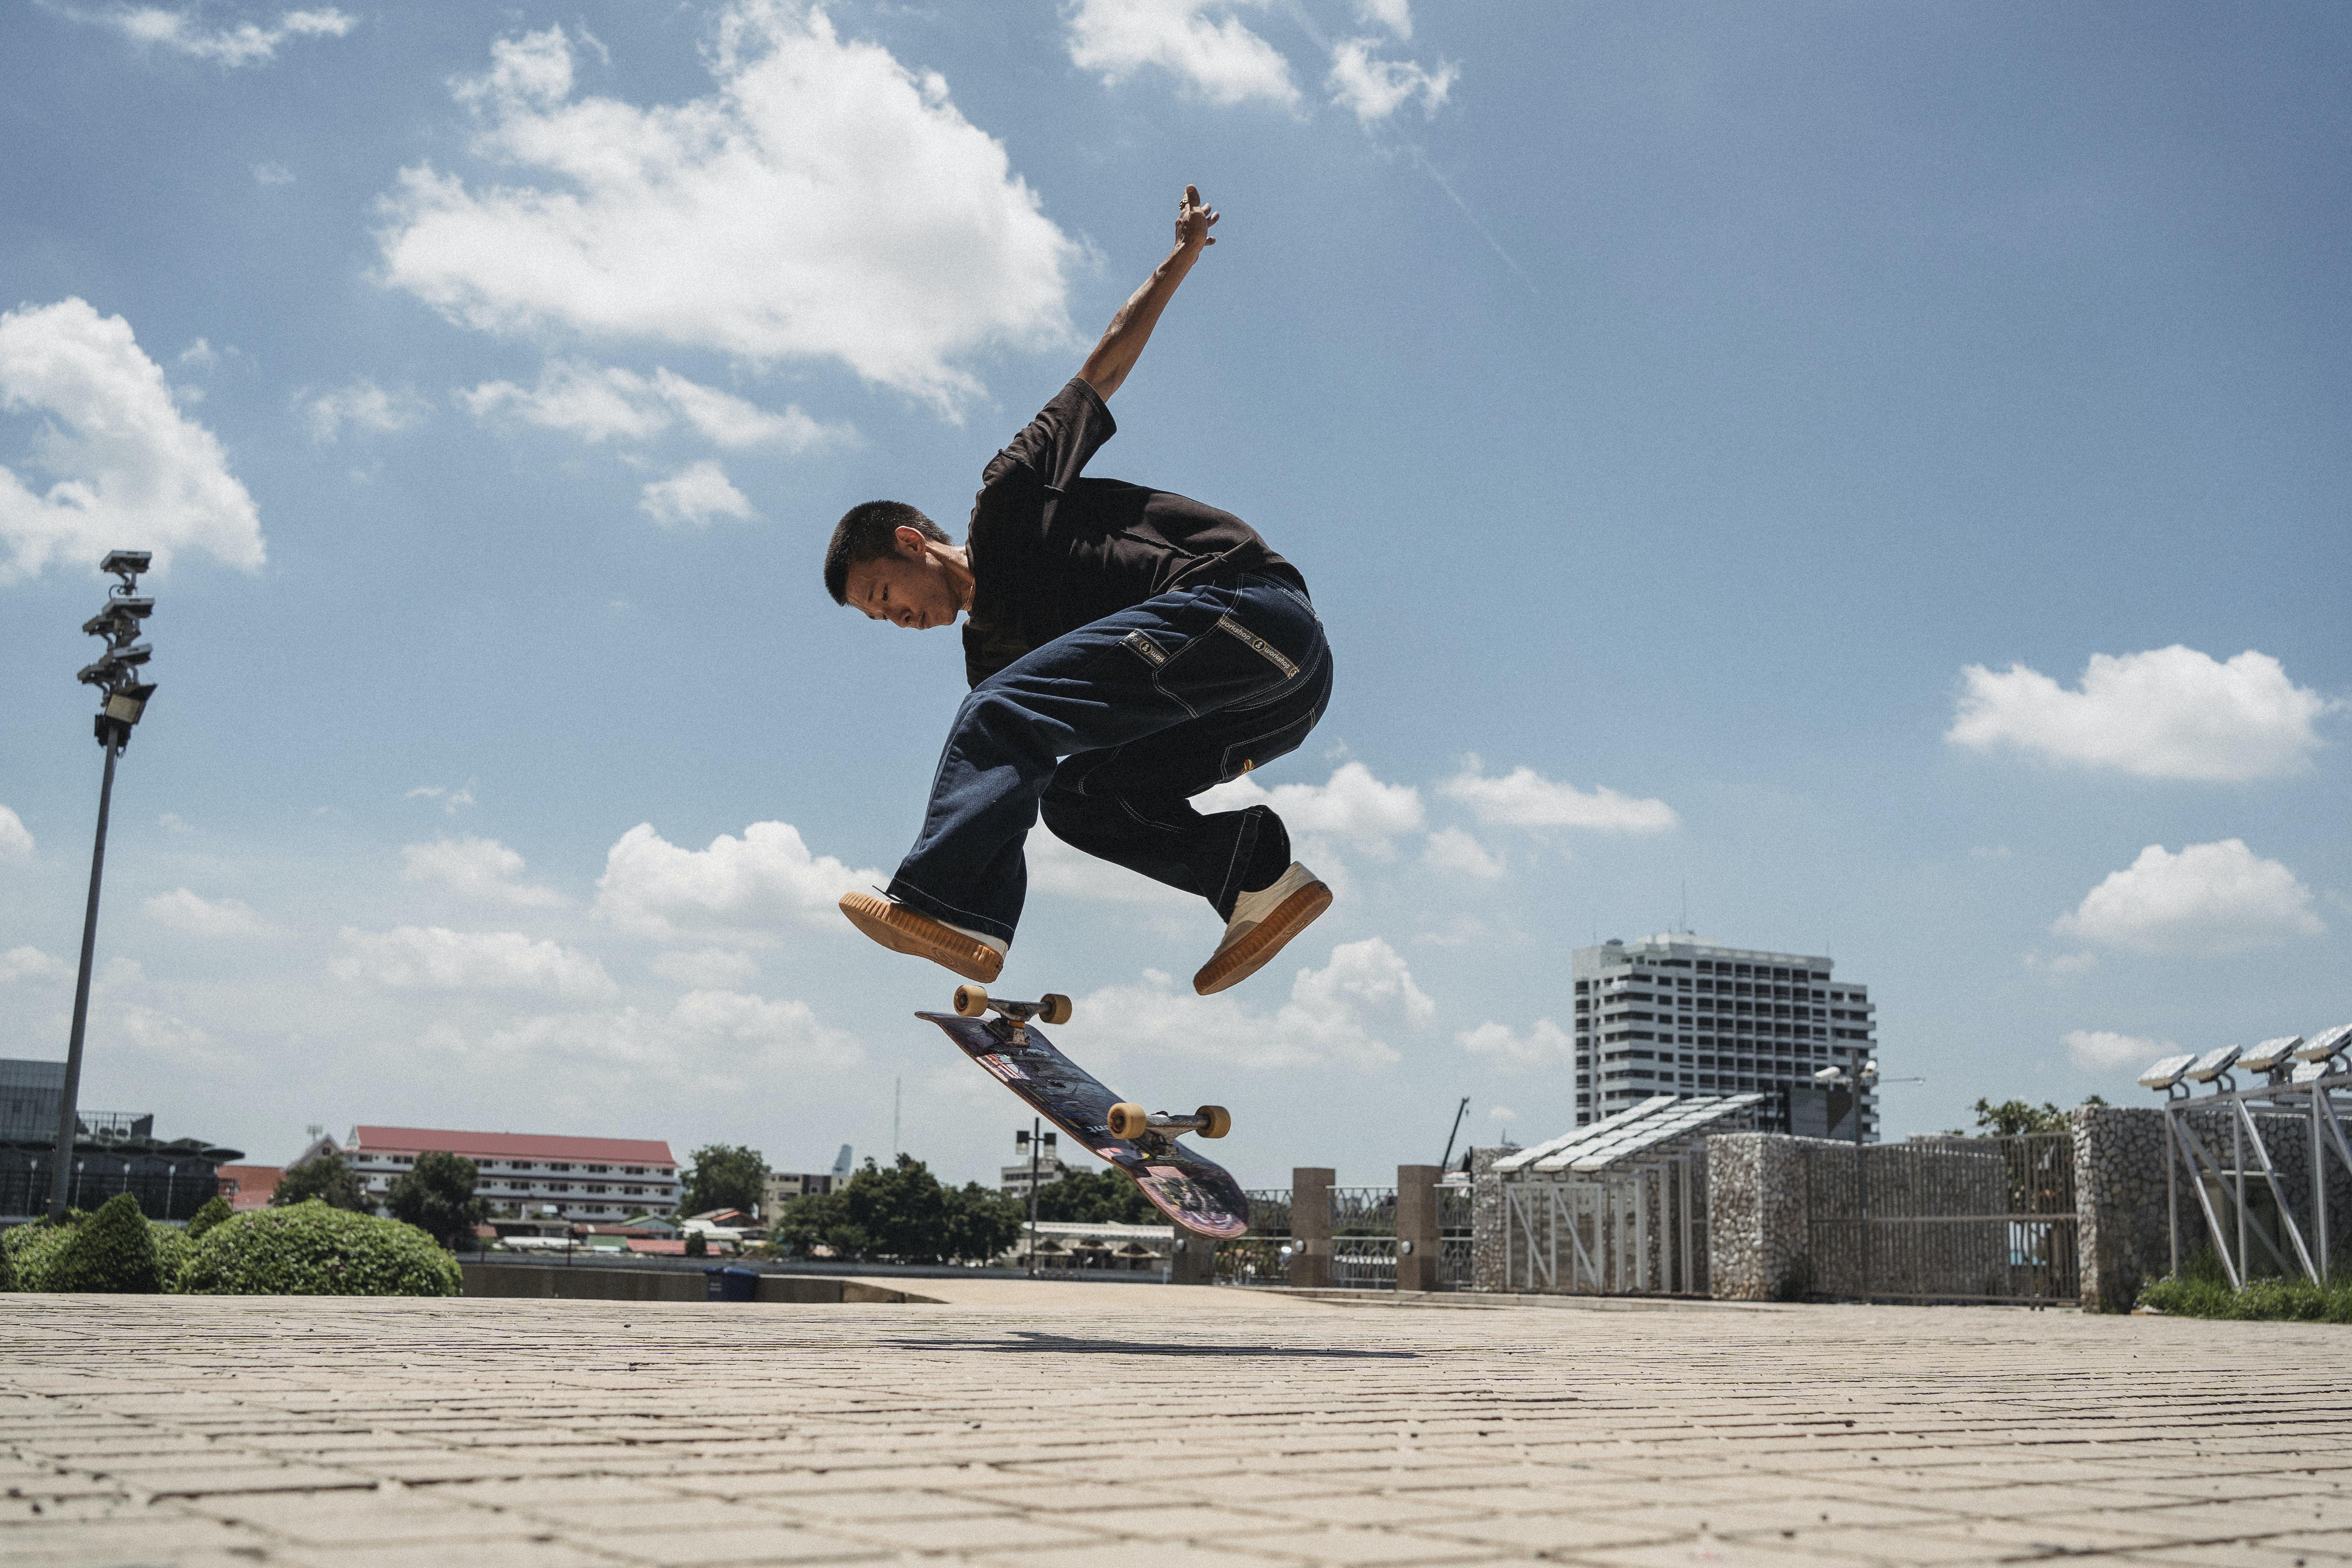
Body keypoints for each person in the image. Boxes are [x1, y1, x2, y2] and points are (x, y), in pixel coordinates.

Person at [823, 185, 1333, 996]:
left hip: (1250, 614)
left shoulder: (1010, 500)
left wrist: (1181, 258)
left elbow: (1106, 366)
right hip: (1263, 707)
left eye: (887, 594)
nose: (901, 620)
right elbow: (1003, 787)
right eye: (882, 619)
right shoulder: (994, 656)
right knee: (1074, 794)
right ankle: (1259, 879)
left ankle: (950, 904)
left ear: (912, 543)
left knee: (998, 715)